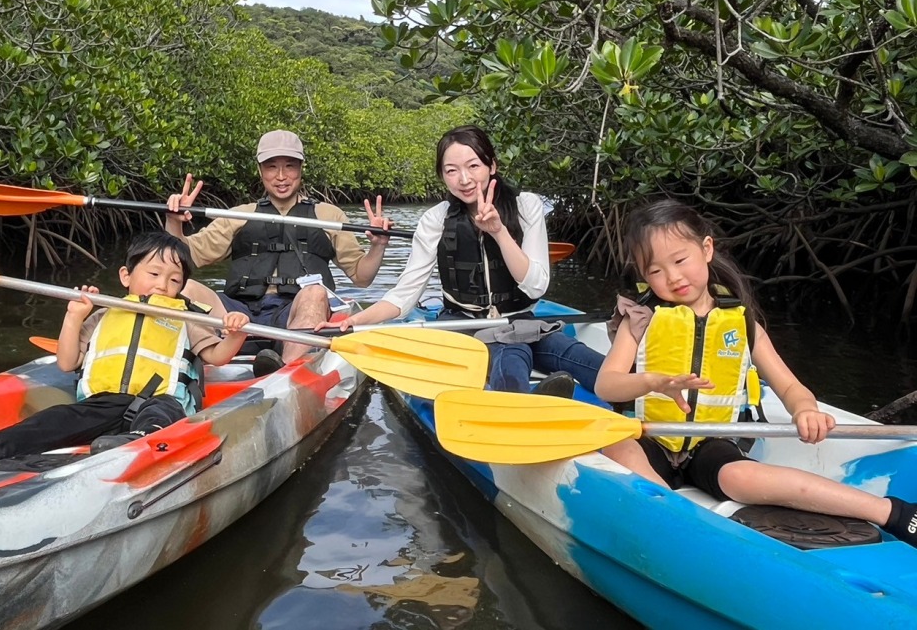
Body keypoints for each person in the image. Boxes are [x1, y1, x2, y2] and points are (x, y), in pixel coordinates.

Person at [593, 199, 917, 546]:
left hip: (710, 443)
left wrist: (805, 409)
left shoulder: (743, 324)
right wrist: (653, 381)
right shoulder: (639, 320)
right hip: (651, 435)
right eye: (655, 271)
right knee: (618, 443)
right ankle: (673, 515)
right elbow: (606, 385)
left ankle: (894, 513)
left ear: (706, 249)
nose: (672, 277)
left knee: (742, 476)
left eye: (679, 260)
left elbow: (791, 387)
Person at [0, 232, 250, 489]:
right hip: (104, 402)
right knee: (53, 420)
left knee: (159, 413)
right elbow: (67, 362)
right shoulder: (103, 314)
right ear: (126, 277)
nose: (163, 285)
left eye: (174, 280)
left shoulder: (186, 316)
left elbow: (215, 355)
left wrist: (235, 333)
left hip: (162, 403)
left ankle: (137, 447)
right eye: (153, 274)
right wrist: (74, 316)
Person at [322, 124, 603, 396]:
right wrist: (356, 320)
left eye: (473, 166)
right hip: (462, 326)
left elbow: (536, 287)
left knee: (585, 361)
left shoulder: (526, 206)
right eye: (451, 171)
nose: (464, 179)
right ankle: (519, 404)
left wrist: (499, 232)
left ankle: (617, 396)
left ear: (491, 166)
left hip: (521, 323)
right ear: (442, 176)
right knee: (511, 357)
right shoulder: (435, 219)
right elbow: (404, 296)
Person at [166, 129, 391, 365]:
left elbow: (361, 277)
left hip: (295, 312)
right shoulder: (239, 215)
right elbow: (181, 259)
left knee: (315, 291)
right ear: (260, 170)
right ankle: (207, 357)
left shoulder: (328, 215)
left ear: (301, 168)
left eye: (290, 166)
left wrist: (378, 246)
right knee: (187, 287)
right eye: (272, 166)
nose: (281, 176)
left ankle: (287, 368)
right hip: (238, 313)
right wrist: (174, 222)